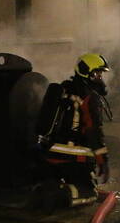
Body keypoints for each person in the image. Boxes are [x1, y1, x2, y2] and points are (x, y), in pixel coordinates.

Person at [38, 52, 112, 207]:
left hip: (49, 152)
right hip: (73, 157)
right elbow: (94, 132)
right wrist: (102, 161)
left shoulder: (64, 89)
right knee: (90, 194)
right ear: (87, 73)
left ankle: (52, 184)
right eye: (97, 74)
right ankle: (57, 196)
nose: (100, 78)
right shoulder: (89, 98)